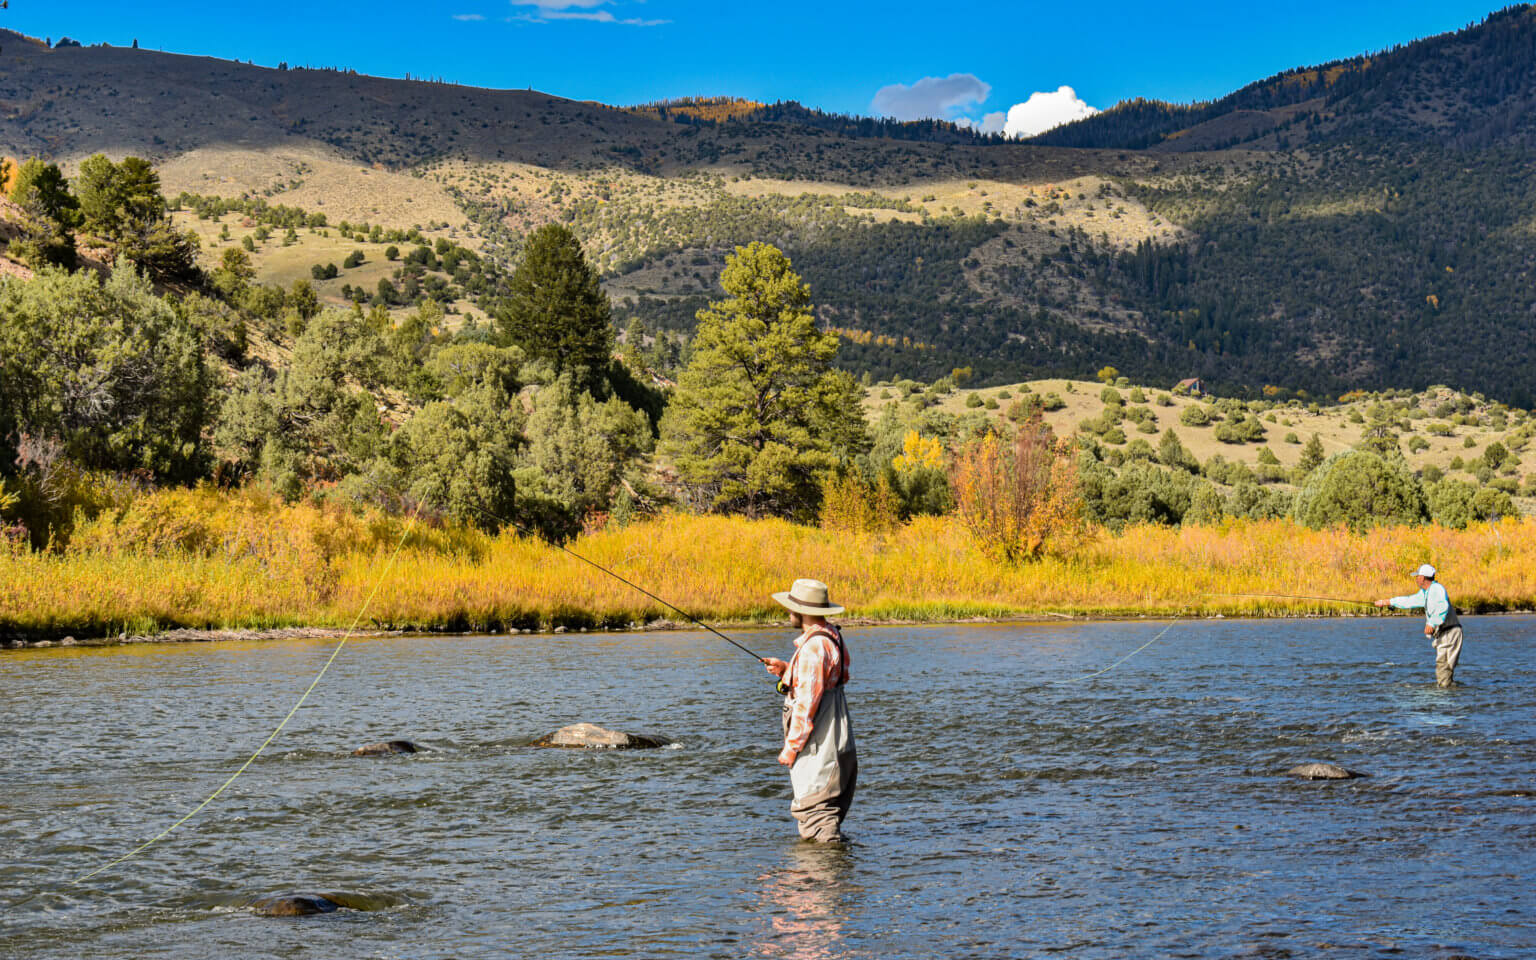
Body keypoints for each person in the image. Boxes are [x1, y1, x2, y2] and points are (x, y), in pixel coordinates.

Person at [761, 578, 857, 843]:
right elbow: (836, 678)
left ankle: (820, 880)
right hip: (840, 738)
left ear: (801, 611)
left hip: (820, 745)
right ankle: (837, 877)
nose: (788, 612)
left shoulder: (813, 647)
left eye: (790, 607)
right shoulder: (834, 636)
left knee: (816, 815)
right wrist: (787, 670)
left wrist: (791, 748)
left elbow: (807, 704)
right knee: (828, 814)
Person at [1375, 564, 1464, 687]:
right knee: (1443, 668)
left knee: (1444, 666)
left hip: (1451, 632)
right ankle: (1448, 693)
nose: (1416, 579)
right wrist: (1387, 602)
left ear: (1422, 578)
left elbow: (1443, 606)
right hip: (1445, 633)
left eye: (1417, 576)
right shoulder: (1425, 593)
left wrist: (1432, 623)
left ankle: (1445, 699)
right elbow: (1409, 600)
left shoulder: (1437, 589)